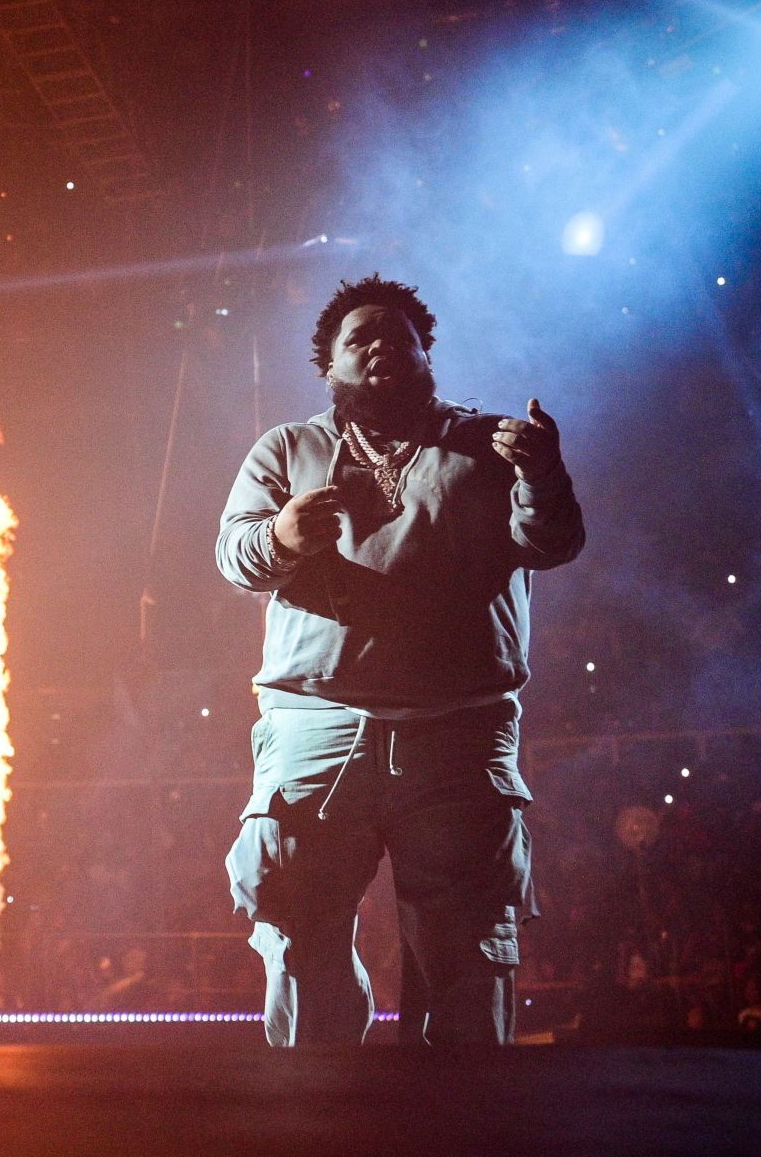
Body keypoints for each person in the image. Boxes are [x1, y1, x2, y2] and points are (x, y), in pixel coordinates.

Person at [217, 276, 585, 1046]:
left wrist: (544, 475)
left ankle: (461, 1128)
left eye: (400, 335)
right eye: (361, 337)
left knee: (469, 948)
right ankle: (315, 1123)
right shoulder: (287, 448)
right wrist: (281, 537)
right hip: (317, 726)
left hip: (457, 734)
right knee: (300, 935)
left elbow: (553, 544)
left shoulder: (491, 444)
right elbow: (234, 556)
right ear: (330, 365)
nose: (382, 344)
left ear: (426, 353)